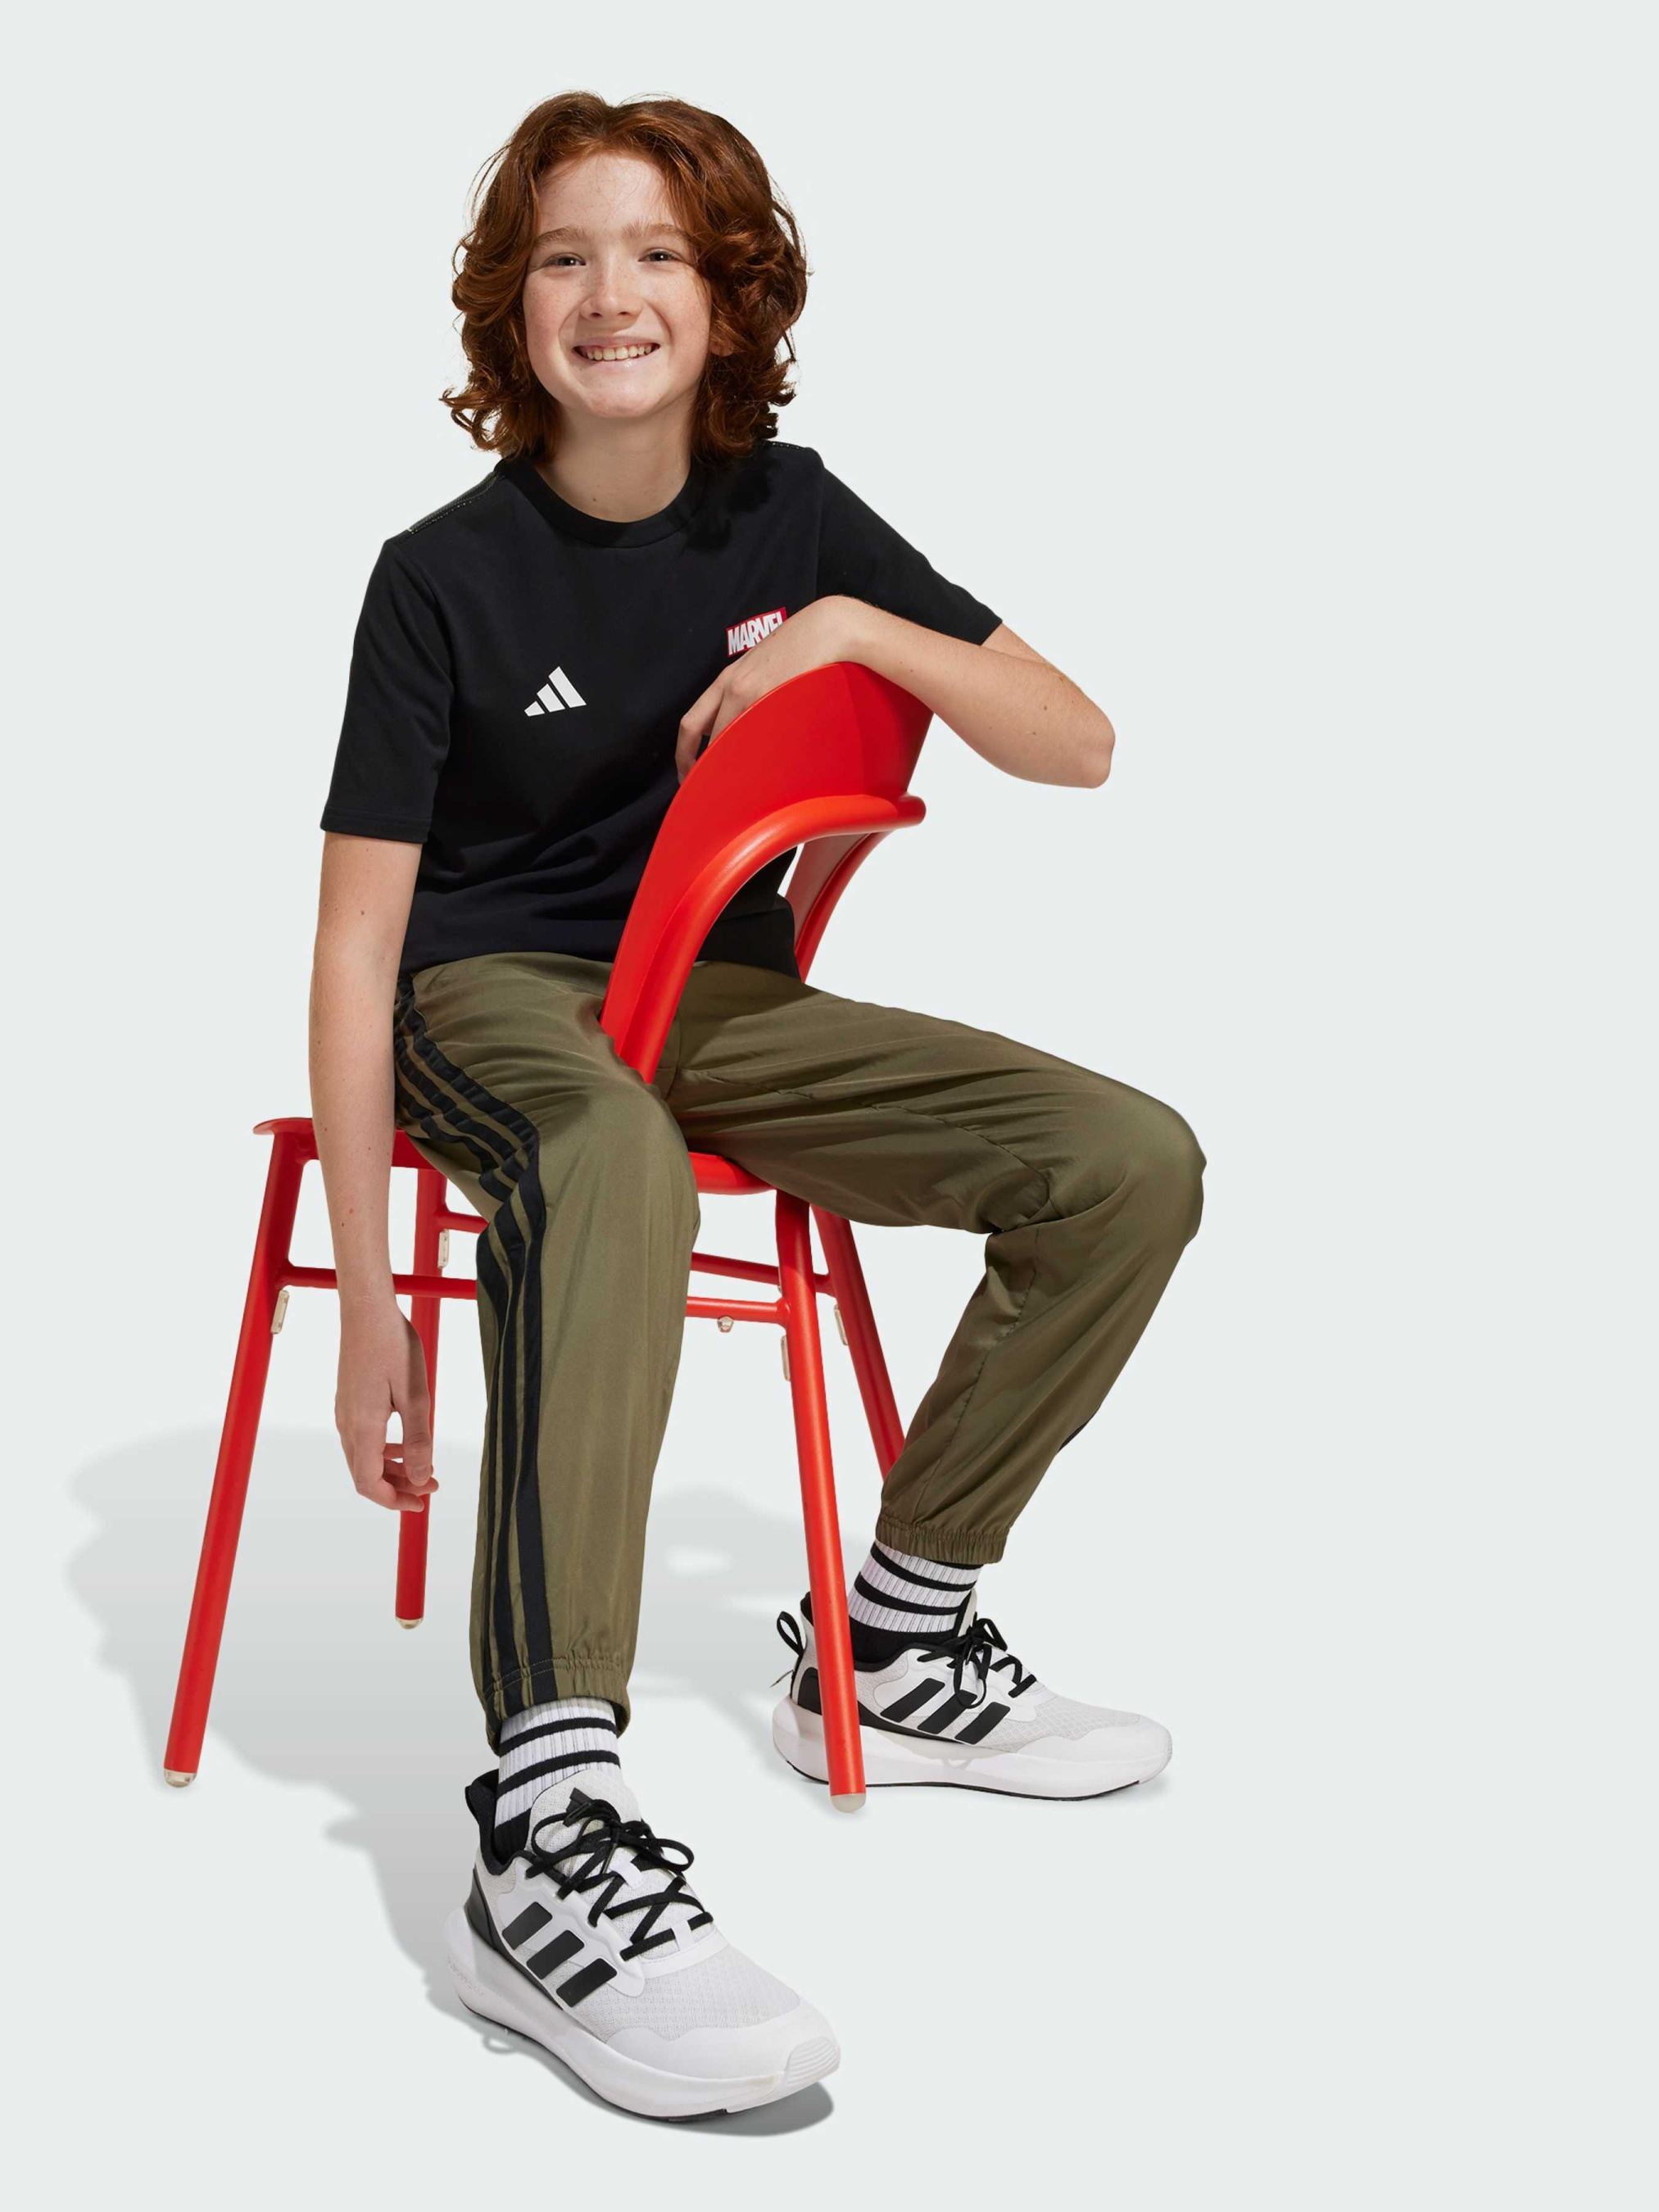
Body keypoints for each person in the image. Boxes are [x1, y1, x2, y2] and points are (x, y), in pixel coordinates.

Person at [311, 91, 1204, 2120]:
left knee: (1121, 1159)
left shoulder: (787, 518)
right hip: (491, 1000)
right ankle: (543, 1826)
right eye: (563, 254)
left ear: (726, 301)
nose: (608, 293)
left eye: (656, 253)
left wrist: (855, 627)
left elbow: (1075, 741)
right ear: (509, 305)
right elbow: (357, 949)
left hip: (714, 1001)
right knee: (606, 1150)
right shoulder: (437, 577)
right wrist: (371, 1305)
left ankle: (893, 1635)